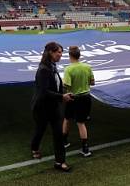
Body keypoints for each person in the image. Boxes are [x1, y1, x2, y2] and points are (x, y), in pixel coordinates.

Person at [30, 42, 72, 172]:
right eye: (58, 52)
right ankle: (34, 147)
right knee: (40, 130)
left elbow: (54, 84)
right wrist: (61, 97)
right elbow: (44, 92)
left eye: (61, 52)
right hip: (41, 107)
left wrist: (63, 90)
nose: (60, 55)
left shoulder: (53, 66)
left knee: (58, 134)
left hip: (53, 107)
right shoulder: (43, 69)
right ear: (50, 52)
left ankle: (60, 162)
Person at [62, 46, 95, 157]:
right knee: (81, 123)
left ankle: (64, 142)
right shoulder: (87, 67)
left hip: (73, 98)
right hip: (86, 97)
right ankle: (85, 149)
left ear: (70, 56)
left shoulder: (68, 69)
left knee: (67, 119)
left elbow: (66, 85)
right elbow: (92, 82)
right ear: (79, 55)